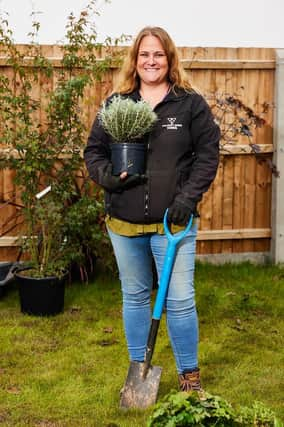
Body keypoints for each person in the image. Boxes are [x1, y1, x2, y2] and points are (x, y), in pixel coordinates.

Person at [84, 26, 220, 396]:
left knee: (179, 300)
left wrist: (188, 198)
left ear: (169, 59)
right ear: (135, 59)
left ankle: (189, 378)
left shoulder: (189, 104)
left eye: (158, 54)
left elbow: (208, 155)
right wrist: (107, 179)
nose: (151, 61)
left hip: (172, 223)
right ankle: (138, 372)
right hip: (123, 221)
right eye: (145, 54)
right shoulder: (116, 104)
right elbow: (94, 152)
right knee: (135, 296)